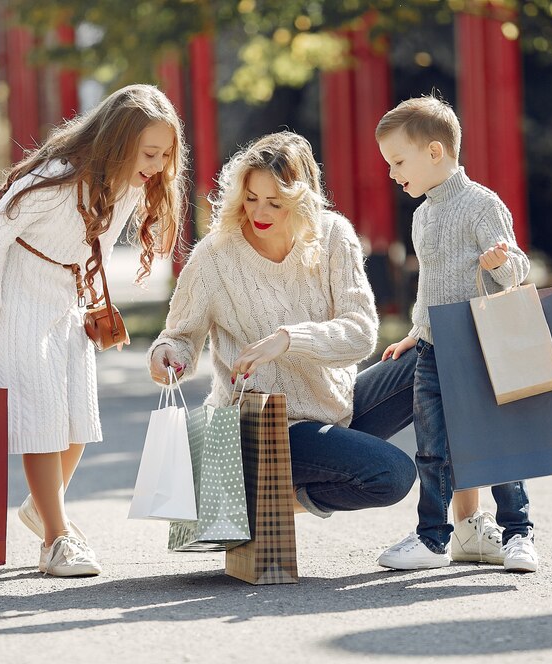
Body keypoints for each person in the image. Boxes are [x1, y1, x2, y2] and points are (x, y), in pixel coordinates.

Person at [0, 84, 187, 577]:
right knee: (42, 414)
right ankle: (56, 540)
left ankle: (42, 509)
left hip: (67, 299)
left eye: (166, 154)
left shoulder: (131, 183)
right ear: (118, 140)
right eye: (149, 152)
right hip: (16, 300)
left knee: (78, 416)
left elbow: (88, 244)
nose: (158, 164)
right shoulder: (54, 176)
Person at [148, 131, 418, 524]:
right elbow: (179, 337)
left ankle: (460, 521)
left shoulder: (334, 235)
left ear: (302, 200)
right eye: (252, 198)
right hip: (268, 426)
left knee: (428, 362)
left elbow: (361, 332)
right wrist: (166, 355)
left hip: (335, 404)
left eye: (275, 202)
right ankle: (262, 497)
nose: (260, 212)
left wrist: (289, 339)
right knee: (393, 475)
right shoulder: (216, 255)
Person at [375, 94, 538, 573]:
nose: (391, 173)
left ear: (434, 153)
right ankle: (432, 539)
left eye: (397, 161)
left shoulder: (481, 204)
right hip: (432, 349)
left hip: (481, 345)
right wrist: (415, 332)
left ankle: (518, 534)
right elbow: (429, 285)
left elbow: (519, 270)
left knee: (496, 440)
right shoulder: (422, 214)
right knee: (432, 448)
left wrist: (501, 263)